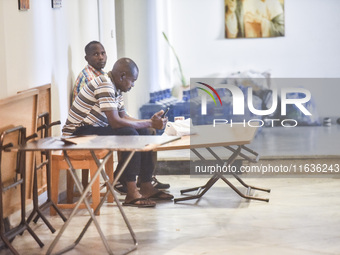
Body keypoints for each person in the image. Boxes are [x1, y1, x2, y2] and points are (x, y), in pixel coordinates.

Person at [63, 58, 174, 207]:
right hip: (77, 133)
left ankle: (146, 185)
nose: (133, 85)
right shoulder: (105, 84)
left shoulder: (116, 87)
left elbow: (124, 117)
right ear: (122, 76)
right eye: (132, 81)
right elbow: (115, 122)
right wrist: (149, 122)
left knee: (146, 131)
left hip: (94, 128)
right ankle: (131, 191)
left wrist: (149, 123)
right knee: (131, 135)